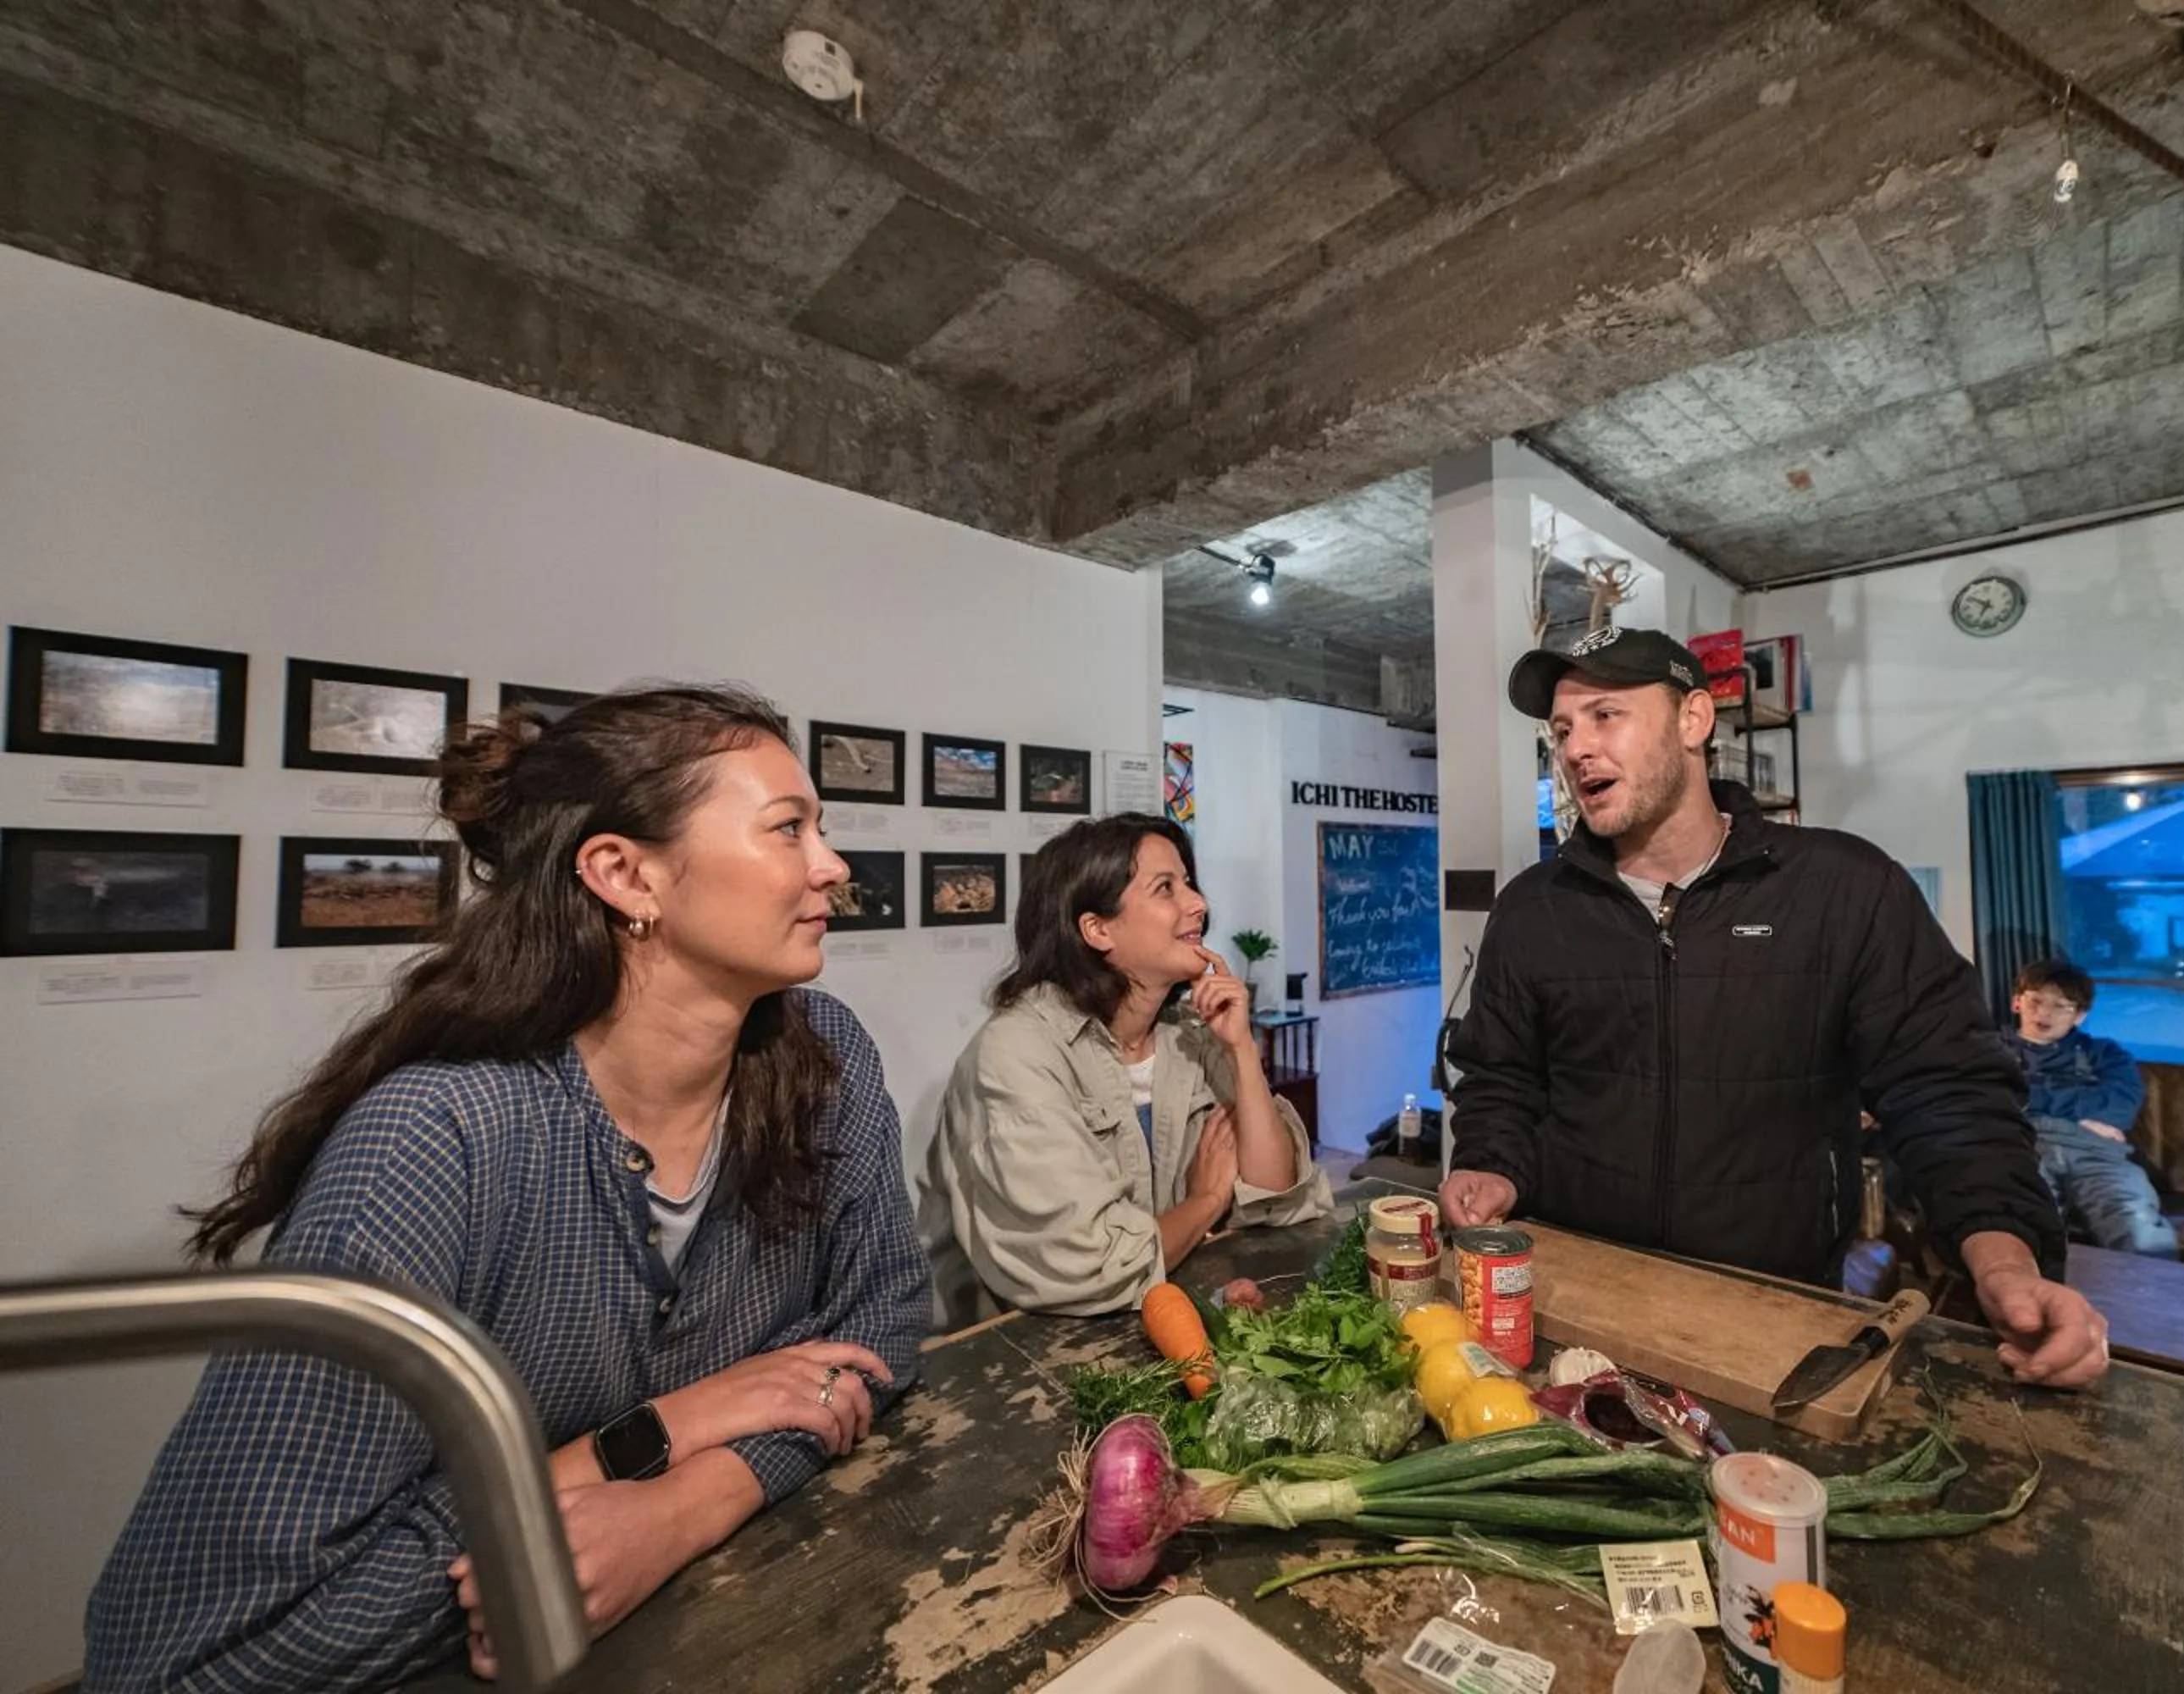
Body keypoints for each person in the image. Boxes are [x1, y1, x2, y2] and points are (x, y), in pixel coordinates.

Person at [86, 686, 932, 1691]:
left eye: (820, 829)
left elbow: (881, 1322)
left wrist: (693, 1499)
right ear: (625, 874)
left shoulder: (823, 1055)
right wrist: (644, 1441)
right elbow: (190, 1659)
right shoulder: (434, 1144)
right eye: (789, 828)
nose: (833, 865)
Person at [1441, 628, 2108, 1389]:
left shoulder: (1844, 889)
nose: (1576, 748)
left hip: (1773, 1309)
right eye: (1561, 730)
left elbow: (1946, 1087)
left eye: (1605, 715)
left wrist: (2005, 1259)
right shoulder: (1534, 909)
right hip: (1576, 1298)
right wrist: (1490, 1163)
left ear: (1694, 720)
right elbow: (1501, 1076)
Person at [923, 813, 1330, 1326]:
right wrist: (1207, 1201)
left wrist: (1243, 1050)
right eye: (1166, 888)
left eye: (1189, 883)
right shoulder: (1016, 1056)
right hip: (1031, 1357)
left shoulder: (1192, 1035)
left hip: (1167, 1324)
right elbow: (1092, 1267)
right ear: (1096, 929)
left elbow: (1278, 1197)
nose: (1198, 904)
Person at [2006, 960, 2178, 1259]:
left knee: (2138, 1229)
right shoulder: (1989, 1050)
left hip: (2095, 1151)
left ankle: (2157, 1301)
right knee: (2024, 1227)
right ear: (2017, 1002)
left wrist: (2029, 1099)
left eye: (2061, 1006)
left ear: (2080, 1016)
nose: (2044, 1013)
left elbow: (2120, 1104)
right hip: (2023, 1145)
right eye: (2036, 1000)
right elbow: (1988, 1099)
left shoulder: (2104, 1053)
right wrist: (2076, 1107)